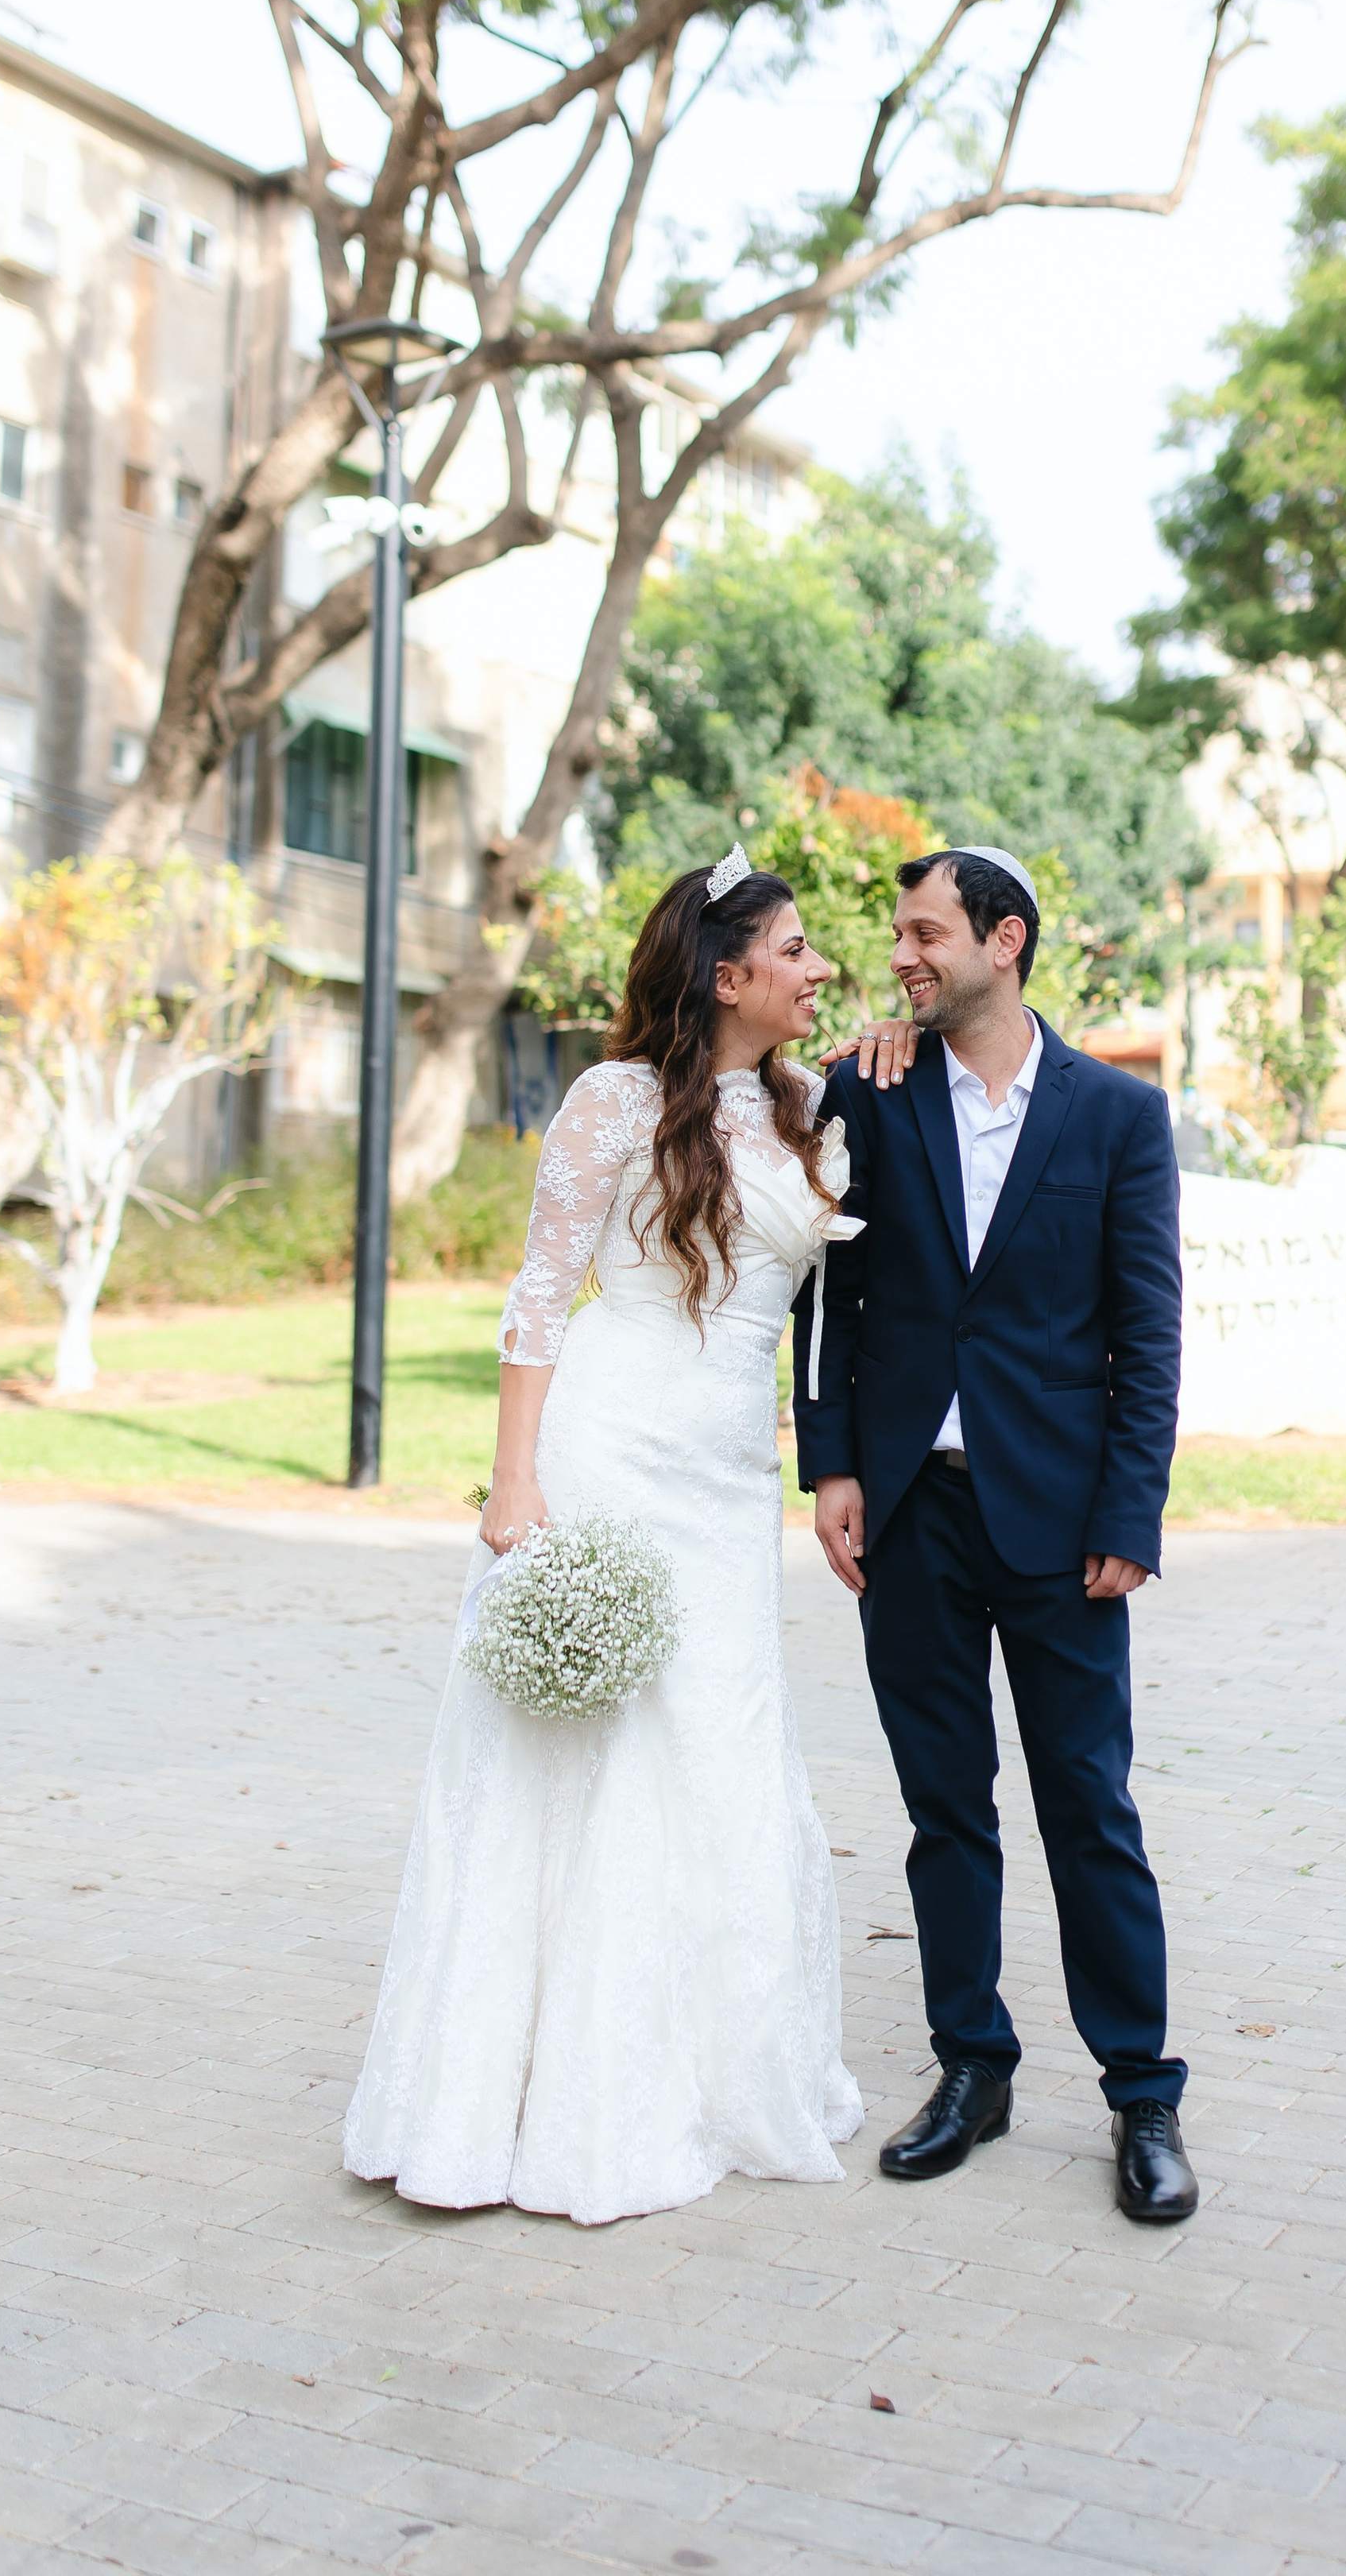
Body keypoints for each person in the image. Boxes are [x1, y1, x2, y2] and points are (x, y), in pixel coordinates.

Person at [344, 850, 864, 2223]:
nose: (818, 970)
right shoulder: (614, 1101)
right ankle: (527, 2100)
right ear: (726, 971)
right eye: (796, 949)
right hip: (610, 1444)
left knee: (720, 1747)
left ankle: (701, 2070)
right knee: (583, 1763)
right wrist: (514, 1486)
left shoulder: (805, 1108)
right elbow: (538, 1293)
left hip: (721, 1483)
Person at [793, 846, 1194, 2225]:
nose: (899, 955)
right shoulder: (870, 1089)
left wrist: (1130, 1510)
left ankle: (1143, 2093)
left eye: (923, 933)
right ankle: (974, 2064)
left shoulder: (1120, 1120)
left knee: (1090, 1806)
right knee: (943, 1807)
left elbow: (1148, 1334)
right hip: (909, 1510)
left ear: (1003, 941)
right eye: (896, 933)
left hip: (1061, 1521)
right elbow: (829, 1299)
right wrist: (831, 1466)